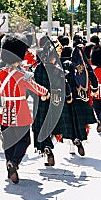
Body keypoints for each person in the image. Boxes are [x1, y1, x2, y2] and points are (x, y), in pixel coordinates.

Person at [0, 34, 49, 184]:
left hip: (4, 113)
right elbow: (34, 87)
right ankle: (14, 163)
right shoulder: (22, 75)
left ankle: (9, 162)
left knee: (8, 142)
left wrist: (2, 103)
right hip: (20, 112)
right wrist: (45, 93)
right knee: (24, 140)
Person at [33, 38, 70, 166]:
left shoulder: (38, 69)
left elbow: (34, 86)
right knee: (56, 128)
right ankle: (49, 145)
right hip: (56, 103)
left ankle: (46, 146)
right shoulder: (57, 69)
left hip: (41, 102)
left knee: (41, 127)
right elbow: (64, 86)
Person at [57, 44, 98, 156]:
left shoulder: (58, 65)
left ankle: (71, 147)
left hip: (64, 98)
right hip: (79, 96)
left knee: (68, 122)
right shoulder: (77, 65)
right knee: (79, 121)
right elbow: (90, 75)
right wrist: (94, 87)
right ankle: (78, 140)